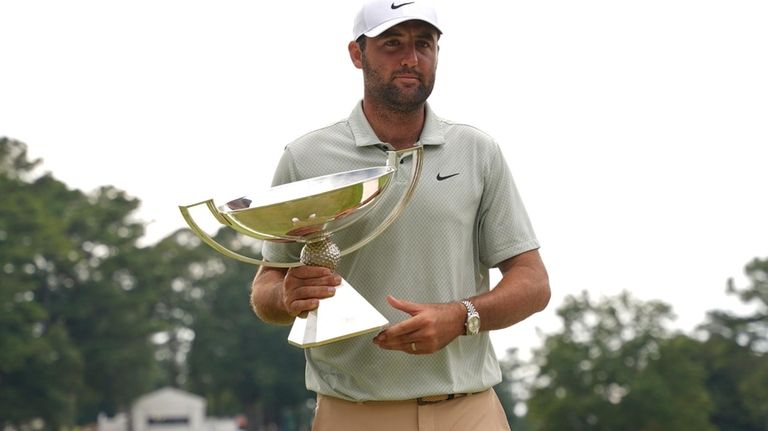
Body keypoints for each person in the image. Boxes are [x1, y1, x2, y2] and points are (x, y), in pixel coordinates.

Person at [250, 1, 550, 429]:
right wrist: (285, 297)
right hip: (351, 413)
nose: (411, 58)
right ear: (357, 54)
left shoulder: (478, 151)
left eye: (423, 43)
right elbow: (268, 284)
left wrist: (461, 316)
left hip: (468, 411)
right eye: (392, 43)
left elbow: (534, 283)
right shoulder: (306, 158)